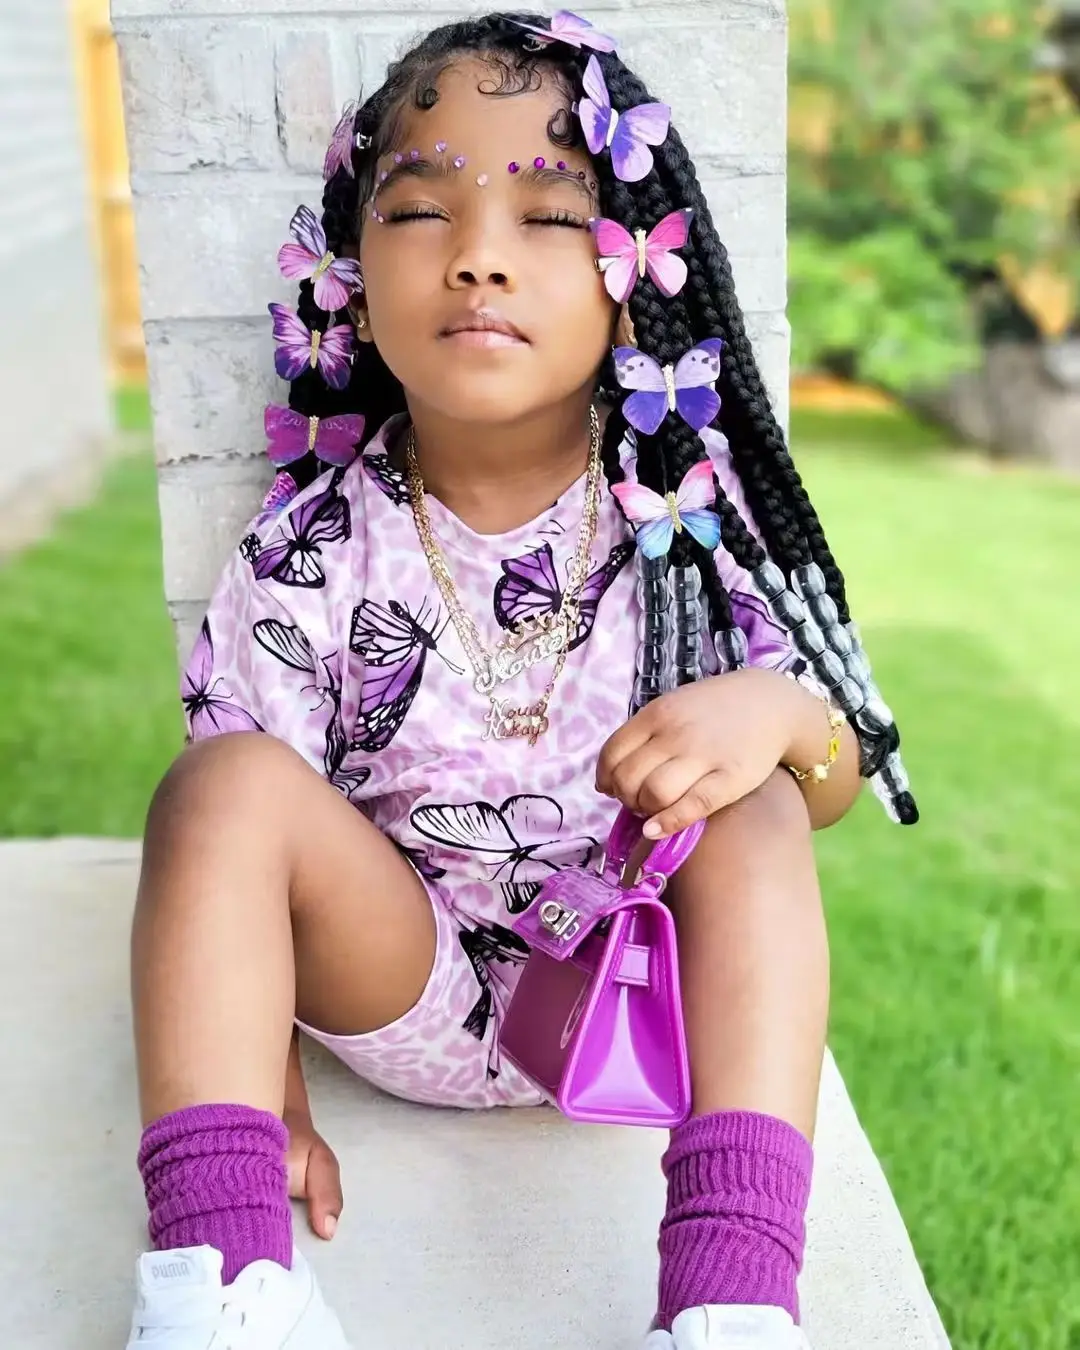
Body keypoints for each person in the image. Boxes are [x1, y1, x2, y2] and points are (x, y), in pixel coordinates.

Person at [125, 10, 917, 1349]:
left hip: (619, 975)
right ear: (352, 273)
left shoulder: (684, 525)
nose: (480, 256)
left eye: (549, 218)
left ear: (635, 277)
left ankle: (731, 1296)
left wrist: (782, 713)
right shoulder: (311, 547)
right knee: (218, 789)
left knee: (762, 803)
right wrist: (268, 1099)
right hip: (399, 976)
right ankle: (221, 1278)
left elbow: (831, 786)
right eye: (420, 210)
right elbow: (237, 872)